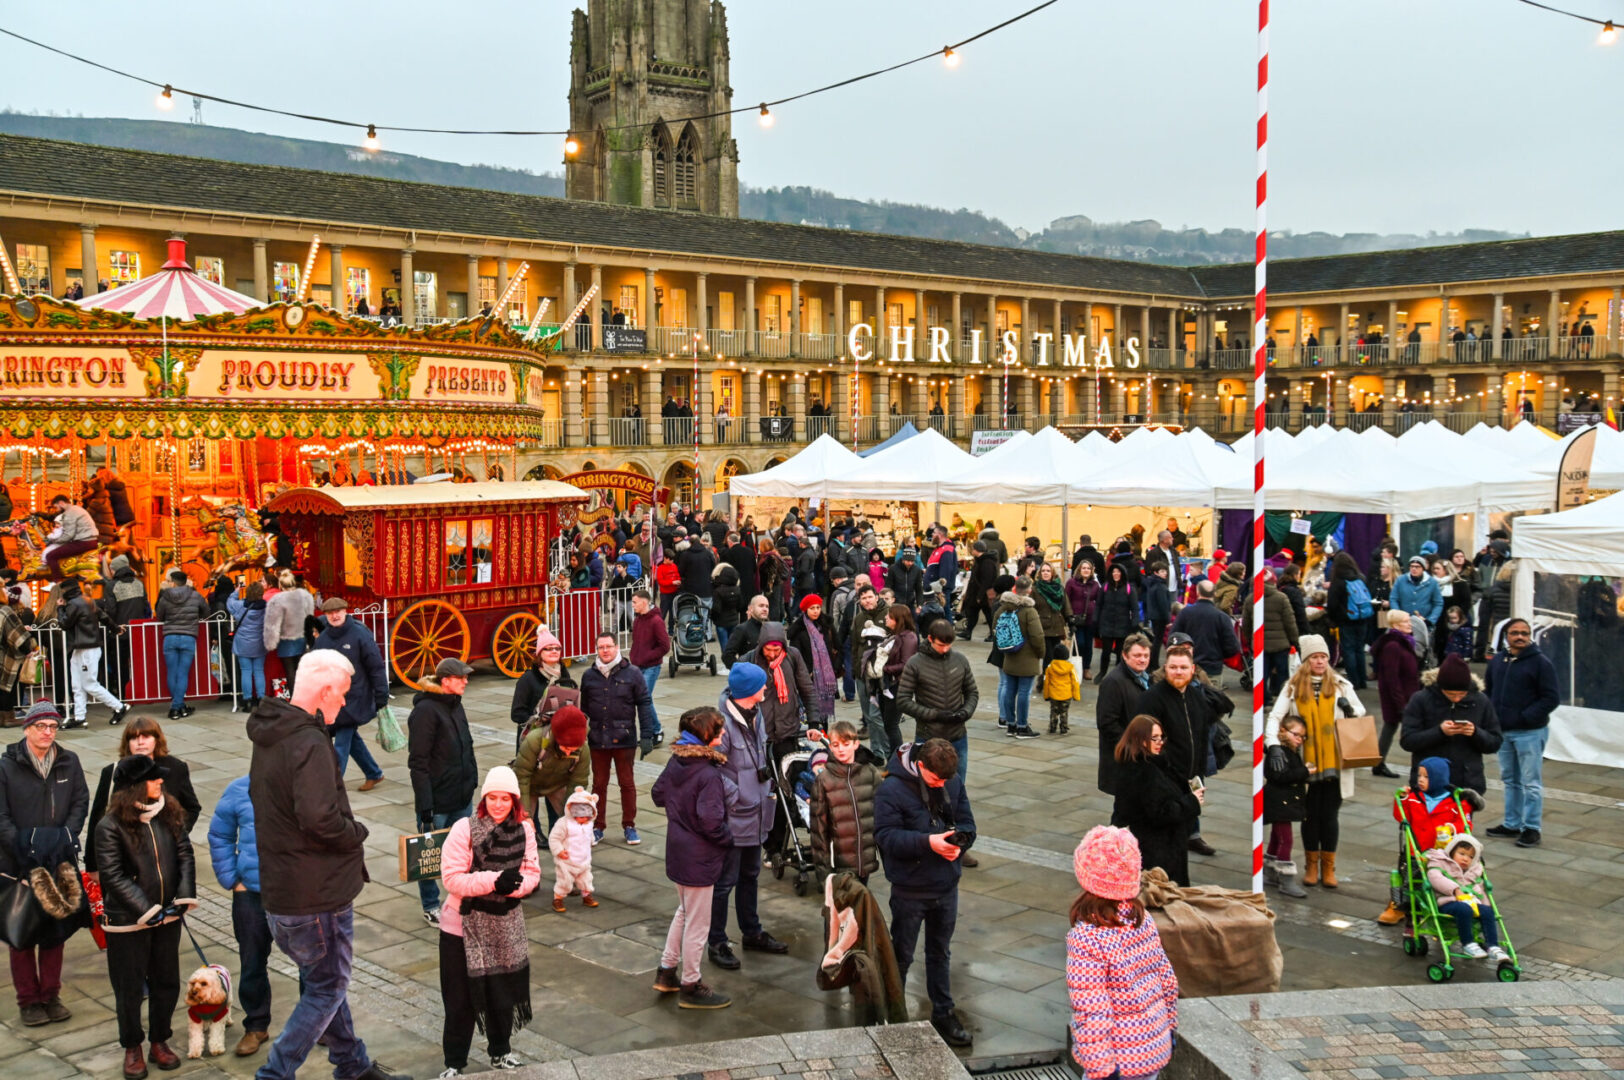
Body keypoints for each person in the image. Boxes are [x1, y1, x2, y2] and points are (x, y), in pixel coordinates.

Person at [247, 649, 408, 1080]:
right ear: (324, 691)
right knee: (327, 988)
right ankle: (275, 1074)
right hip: (316, 893)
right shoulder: (309, 741)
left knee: (323, 982)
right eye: (342, 695)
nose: (345, 704)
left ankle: (353, 1067)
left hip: (284, 891)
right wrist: (356, 833)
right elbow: (320, 818)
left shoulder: (273, 734)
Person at [95, 753, 197, 1079]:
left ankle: (159, 1040)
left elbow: (185, 854)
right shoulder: (109, 826)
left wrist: (183, 897)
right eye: (153, 778)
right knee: (129, 988)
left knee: (166, 982)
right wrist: (147, 910)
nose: (161, 782)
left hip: (167, 918)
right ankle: (133, 1046)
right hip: (129, 922)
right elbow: (112, 875)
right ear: (135, 787)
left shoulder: (169, 812)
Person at [437, 765, 540, 1075]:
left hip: (503, 925)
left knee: (502, 996)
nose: (498, 804)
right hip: (460, 928)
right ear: (483, 800)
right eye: (492, 798)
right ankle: (454, 1063)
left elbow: (532, 874)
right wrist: (495, 881)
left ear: (514, 801)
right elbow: (452, 879)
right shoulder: (463, 829)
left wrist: (515, 887)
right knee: (459, 1001)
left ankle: (500, 1052)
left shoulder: (525, 829)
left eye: (505, 798)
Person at [873, 737, 974, 1048]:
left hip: (946, 884)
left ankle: (943, 1012)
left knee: (940, 953)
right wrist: (929, 842)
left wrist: (960, 843)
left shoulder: (951, 780)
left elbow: (968, 823)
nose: (941, 784)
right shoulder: (891, 789)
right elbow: (886, 838)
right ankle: (893, 1014)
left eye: (945, 779)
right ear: (919, 766)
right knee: (900, 956)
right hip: (910, 888)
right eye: (935, 779)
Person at [1065, 825, 1179, 1080]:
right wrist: (1170, 1028)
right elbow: (1167, 980)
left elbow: (1091, 1009)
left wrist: (1101, 1068)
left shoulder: (1087, 938)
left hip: (1114, 1061)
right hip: (1152, 1050)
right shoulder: (1142, 919)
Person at [0, 701, 88, 1028]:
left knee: (55, 932)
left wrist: (67, 835)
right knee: (21, 932)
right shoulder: (6, 767)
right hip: (18, 863)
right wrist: (26, 845)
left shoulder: (69, 762)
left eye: (53, 726)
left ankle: (51, 994)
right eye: (41, 726)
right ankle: (28, 1001)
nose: (48, 732)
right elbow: (1, 817)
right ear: (27, 729)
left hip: (59, 861)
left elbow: (80, 800)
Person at [650, 706, 735, 1009]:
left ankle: (666, 971)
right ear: (707, 735)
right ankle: (690, 983)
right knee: (698, 922)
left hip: (677, 849)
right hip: (700, 856)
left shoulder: (678, 761)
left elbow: (658, 794)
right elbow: (711, 822)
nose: (723, 734)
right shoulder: (709, 774)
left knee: (684, 912)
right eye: (719, 730)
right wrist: (728, 839)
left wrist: (679, 808)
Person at [707, 663, 791, 971]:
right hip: (735, 815)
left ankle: (751, 931)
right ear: (747, 691)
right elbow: (712, 772)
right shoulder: (722, 725)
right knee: (724, 882)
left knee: (750, 876)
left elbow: (760, 754)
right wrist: (740, 794)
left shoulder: (756, 717)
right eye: (761, 685)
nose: (766, 689)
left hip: (757, 812)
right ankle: (716, 941)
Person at [1262, 634, 1363, 888]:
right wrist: (1273, 745)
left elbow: (1359, 712)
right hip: (1304, 765)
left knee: (1330, 816)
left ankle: (1328, 868)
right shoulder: (1293, 687)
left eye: (1323, 657)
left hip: (1334, 762)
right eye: (1315, 657)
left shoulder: (1341, 685)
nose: (1320, 662)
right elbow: (1275, 717)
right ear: (1306, 660)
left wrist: (1349, 710)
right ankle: (1311, 865)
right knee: (1309, 816)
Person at [206, 774, 278, 1058]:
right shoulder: (239, 788)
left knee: (309, 962)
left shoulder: (305, 782)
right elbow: (220, 834)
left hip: (295, 893)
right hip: (250, 894)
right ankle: (256, 1025)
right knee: (252, 962)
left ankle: (321, 1024)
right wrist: (232, 880)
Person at [407, 657, 479, 926]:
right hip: (437, 802)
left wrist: (472, 780)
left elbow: (466, 745)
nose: (466, 681)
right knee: (428, 857)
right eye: (461, 677)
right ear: (446, 680)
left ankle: (460, 898)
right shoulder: (426, 711)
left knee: (463, 854)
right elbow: (418, 762)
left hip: (461, 797)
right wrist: (425, 806)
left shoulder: (455, 705)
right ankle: (430, 905)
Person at [85, 716, 202, 877]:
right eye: (134, 738)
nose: (140, 742)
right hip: (124, 859)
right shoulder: (113, 771)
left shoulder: (176, 768)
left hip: (164, 859)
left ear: (156, 740)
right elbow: (98, 816)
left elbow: (192, 807)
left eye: (146, 737)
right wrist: (92, 864)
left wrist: (176, 835)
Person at [1135, 644, 1217, 858]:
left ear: (1193, 669)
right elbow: (1144, 744)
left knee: (1180, 841)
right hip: (1163, 781)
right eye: (1173, 667)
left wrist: (1198, 776)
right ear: (1165, 668)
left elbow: (1201, 739)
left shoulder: (1197, 697)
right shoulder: (1151, 699)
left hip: (1188, 779)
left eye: (1183, 667)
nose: (1178, 672)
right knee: (1162, 842)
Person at [1483, 618, 1558, 848]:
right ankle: (1512, 823)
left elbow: (1551, 698)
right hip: (1504, 732)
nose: (1520, 637)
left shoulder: (1541, 663)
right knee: (1510, 780)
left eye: (1524, 633)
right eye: (1515, 633)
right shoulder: (1498, 661)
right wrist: (1492, 718)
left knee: (1530, 782)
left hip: (1530, 733)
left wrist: (1526, 717)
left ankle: (1532, 828)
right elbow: (1489, 691)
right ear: (1506, 636)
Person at [581, 632, 655, 845]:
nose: (605, 650)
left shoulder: (633, 673)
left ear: (617, 647)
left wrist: (647, 734)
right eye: (601, 647)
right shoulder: (588, 676)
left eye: (609, 646)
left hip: (625, 738)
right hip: (597, 739)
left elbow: (644, 703)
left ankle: (629, 825)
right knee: (598, 785)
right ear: (597, 649)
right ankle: (597, 826)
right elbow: (583, 709)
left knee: (627, 784)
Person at [1110, 715, 1202, 887]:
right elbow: (1160, 812)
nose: (1160, 742)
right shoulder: (1145, 772)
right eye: (1154, 738)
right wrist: (1192, 801)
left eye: (1161, 737)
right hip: (1157, 850)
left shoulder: (1144, 763)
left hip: (1156, 845)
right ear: (1141, 739)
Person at [311, 596, 391, 790]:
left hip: (356, 697)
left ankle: (332, 787)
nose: (334, 616)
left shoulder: (359, 634)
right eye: (330, 613)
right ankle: (373, 772)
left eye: (338, 611)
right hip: (332, 700)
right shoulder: (322, 640)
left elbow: (376, 666)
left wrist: (381, 694)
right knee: (349, 737)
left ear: (345, 611)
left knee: (342, 742)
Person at [1400, 654, 1503, 797]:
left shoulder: (1481, 701)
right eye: (1450, 694)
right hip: (1429, 785)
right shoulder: (1421, 699)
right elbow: (1407, 741)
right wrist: (1439, 732)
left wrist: (1475, 733)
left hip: (1467, 784)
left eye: (1461, 694)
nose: (1456, 698)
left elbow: (1495, 742)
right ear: (1441, 687)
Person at [897, 618, 979, 793]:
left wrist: (966, 712)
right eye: (941, 645)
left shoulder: (960, 660)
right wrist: (934, 715)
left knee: (957, 786)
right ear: (930, 638)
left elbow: (972, 692)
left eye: (949, 645)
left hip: (958, 735)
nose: (945, 649)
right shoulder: (915, 663)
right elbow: (903, 700)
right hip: (929, 736)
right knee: (929, 787)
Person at [808, 720, 882, 885]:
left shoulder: (870, 772)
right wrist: (824, 874)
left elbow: (883, 814)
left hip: (866, 858)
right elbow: (818, 830)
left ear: (856, 744)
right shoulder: (824, 780)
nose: (841, 749)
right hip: (839, 864)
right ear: (831, 747)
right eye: (835, 745)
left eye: (845, 744)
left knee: (862, 904)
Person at [56, 577, 129, 728]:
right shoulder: (88, 601)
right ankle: (80, 716)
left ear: (66, 591)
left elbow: (64, 623)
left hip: (84, 648)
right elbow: (104, 617)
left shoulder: (73, 604)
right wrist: (116, 629)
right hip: (87, 647)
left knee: (88, 684)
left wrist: (59, 608)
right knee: (79, 684)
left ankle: (119, 706)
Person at [1425, 835, 1507, 962]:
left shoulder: (1473, 871)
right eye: (1461, 853)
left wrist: (1485, 905)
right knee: (1464, 909)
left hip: (1471, 901)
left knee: (1487, 911)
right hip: (1448, 901)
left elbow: (1480, 890)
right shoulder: (1440, 862)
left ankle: (1493, 946)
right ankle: (1468, 943)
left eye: (1470, 857)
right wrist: (1455, 889)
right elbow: (1436, 878)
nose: (1465, 859)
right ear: (1451, 851)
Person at [1094, 633, 1152, 796]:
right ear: (1125, 656)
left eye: (1146, 655)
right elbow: (1106, 723)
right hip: (1124, 759)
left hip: (1142, 757)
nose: (1142, 660)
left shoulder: (1145, 678)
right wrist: (1132, 746)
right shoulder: (1113, 682)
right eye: (1137, 655)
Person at [1370, 610, 1424, 780]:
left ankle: (1378, 763)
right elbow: (1391, 677)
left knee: (1390, 727)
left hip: (1407, 694)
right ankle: (1419, 768)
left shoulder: (1403, 642)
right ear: (1395, 625)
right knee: (1407, 730)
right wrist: (1401, 704)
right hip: (1399, 697)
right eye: (1406, 621)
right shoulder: (1393, 646)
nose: (1410, 624)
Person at [750, 621, 816, 761]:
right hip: (760, 735)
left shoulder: (793, 656)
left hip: (788, 731)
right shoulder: (750, 660)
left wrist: (814, 723)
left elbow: (807, 691)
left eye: (776, 650)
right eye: (768, 649)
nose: (772, 654)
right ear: (761, 645)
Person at [507, 627, 576, 756]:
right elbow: (517, 714)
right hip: (533, 742)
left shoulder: (565, 677)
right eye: (548, 648)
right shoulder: (528, 679)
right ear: (539, 653)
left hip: (559, 742)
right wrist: (539, 720)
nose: (554, 651)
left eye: (557, 648)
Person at [1263, 716, 1311, 899]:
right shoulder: (1279, 752)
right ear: (1283, 730)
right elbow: (1281, 776)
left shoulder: (1287, 750)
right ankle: (1285, 878)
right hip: (1279, 802)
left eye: (1302, 737)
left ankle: (1270, 871)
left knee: (1277, 837)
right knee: (1286, 839)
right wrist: (1305, 771)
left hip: (1283, 802)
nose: (1299, 740)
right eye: (1296, 735)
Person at [151, 570, 207, 721]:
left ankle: (177, 706)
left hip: (170, 636)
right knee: (183, 673)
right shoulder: (195, 595)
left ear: (173, 582)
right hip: (188, 636)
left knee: (172, 672)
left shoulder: (165, 596)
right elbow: (206, 611)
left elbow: (160, 615)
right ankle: (177, 707)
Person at [993, 576, 1045, 739]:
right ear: (1029, 590)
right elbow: (1037, 635)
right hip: (1027, 657)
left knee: (1009, 689)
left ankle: (1011, 724)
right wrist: (1040, 653)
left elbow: (995, 628)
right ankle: (1022, 726)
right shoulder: (1030, 611)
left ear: (1015, 588)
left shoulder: (1004, 608)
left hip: (1009, 655)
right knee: (1024, 692)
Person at [98, 553, 150, 709]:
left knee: (120, 666)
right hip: (138, 631)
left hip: (120, 631)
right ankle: (139, 693)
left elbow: (111, 610)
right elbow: (145, 606)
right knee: (138, 664)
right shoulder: (139, 583)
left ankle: (123, 696)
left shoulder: (112, 586)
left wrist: (110, 624)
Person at [1167, 578, 1241, 680]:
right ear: (1214, 593)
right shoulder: (1222, 617)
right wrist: (1219, 656)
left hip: (1188, 667)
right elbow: (1233, 646)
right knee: (1211, 695)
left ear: (1197, 592)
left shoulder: (1185, 613)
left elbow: (1172, 639)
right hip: (1213, 668)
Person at [787, 594, 841, 728]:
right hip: (808, 678)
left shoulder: (827, 626)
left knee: (824, 717)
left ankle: (824, 736)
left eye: (818, 607)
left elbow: (838, 647)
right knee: (810, 711)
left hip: (826, 678)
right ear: (805, 610)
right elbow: (795, 655)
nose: (816, 611)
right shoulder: (799, 630)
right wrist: (806, 672)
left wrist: (834, 669)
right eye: (812, 608)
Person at [1325, 551, 1375, 690]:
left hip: (1346, 620)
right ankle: (1362, 679)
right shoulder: (1360, 577)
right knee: (1359, 649)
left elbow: (1333, 604)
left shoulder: (1338, 581)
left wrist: (1333, 619)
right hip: (1363, 618)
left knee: (1349, 650)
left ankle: (1354, 681)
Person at [1248, 569, 1299, 700]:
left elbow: (1247, 624)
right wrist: (1294, 641)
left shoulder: (1251, 599)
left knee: (1261, 673)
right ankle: (1283, 698)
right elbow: (1290, 622)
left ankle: (1263, 699)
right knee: (1283, 673)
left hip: (1260, 644)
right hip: (1281, 644)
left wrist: (1250, 640)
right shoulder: (1281, 598)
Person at [261, 570, 314, 696]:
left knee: (290, 670)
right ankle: (303, 697)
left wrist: (270, 642)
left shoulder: (277, 600)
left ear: (280, 585)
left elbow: (272, 623)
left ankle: (295, 699)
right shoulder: (305, 596)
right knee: (300, 670)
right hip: (301, 636)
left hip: (286, 638)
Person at [628, 591, 671, 744]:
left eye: (634, 602)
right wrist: (634, 656)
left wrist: (647, 656)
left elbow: (665, 646)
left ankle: (656, 730)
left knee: (644, 698)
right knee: (642, 699)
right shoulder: (638, 620)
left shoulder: (656, 621)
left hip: (651, 667)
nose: (632, 605)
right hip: (638, 665)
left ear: (644, 603)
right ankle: (651, 732)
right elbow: (636, 642)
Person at [231, 582, 269, 712]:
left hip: (243, 643)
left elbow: (229, 602)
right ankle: (261, 700)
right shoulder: (266, 607)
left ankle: (247, 701)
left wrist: (236, 590)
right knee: (259, 671)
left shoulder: (240, 606)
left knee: (246, 671)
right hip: (259, 643)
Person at [0, 583, 37, 717]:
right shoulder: (5, 611)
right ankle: (7, 717)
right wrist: (28, 649)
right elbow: (17, 636)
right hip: (5, 655)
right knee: (6, 687)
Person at [42, 494, 98, 577]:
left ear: (61, 503)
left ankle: (57, 581)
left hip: (83, 542)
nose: (56, 510)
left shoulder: (69, 513)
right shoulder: (77, 508)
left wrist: (53, 540)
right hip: (91, 540)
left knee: (50, 556)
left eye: (56, 507)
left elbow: (68, 535)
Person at [1065, 560, 1102, 680]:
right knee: (1079, 643)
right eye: (1084, 568)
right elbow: (1066, 600)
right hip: (1075, 619)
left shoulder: (1095, 585)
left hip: (1090, 620)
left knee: (1088, 645)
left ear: (1092, 571)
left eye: (1088, 568)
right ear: (1079, 569)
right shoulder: (1071, 583)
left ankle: (1086, 668)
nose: (1086, 570)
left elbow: (1099, 601)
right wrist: (1068, 616)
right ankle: (1077, 666)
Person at [1391, 555, 1444, 631]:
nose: (1414, 569)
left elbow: (1438, 603)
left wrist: (1430, 620)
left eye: (1417, 567)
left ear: (1423, 568)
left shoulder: (1432, 582)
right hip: (1403, 624)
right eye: (1412, 566)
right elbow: (1393, 599)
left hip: (1424, 624)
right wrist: (1398, 616)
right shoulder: (1400, 580)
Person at [1032, 561, 1068, 670]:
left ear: (1052, 573)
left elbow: (1065, 605)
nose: (1045, 573)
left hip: (1057, 626)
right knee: (1048, 657)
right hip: (1043, 627)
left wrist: (1070, 619)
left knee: (1055, 657)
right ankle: (1044, 680)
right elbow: (1031, 608)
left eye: (1048, 571)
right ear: (1039, 573)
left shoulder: (1059, 588)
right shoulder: (1035, 589)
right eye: (1043, 571)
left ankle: (1052, 681)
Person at [722, 594, 770, 668]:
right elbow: (727, 655)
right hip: (751, 675)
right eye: (761, 606)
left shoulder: (771, 628)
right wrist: (741, 671)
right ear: (751, 608)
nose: (765, 609)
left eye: (767, 606)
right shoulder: (742, 629)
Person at [1044, 642, 1080, 735]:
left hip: (1054, 694)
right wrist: (1076, 696)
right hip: (1066, 694)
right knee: (1064, 712)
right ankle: (1063, 728)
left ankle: (1052, 727)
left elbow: (1046, 682)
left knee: (1054, 711)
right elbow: (1075, 682)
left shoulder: (1050, 667)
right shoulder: (1071, 667)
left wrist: (1046, 695)